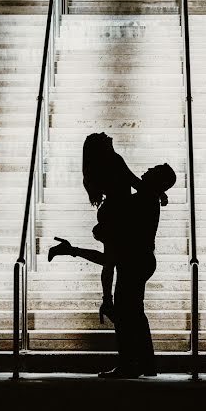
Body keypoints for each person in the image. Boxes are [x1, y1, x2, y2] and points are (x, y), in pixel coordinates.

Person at [49, 163, 177, 378]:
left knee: (127, 315)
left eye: (152, 171)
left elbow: (127, 176)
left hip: (135, 260)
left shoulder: (144, 198)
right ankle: (146, 364)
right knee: (134, 314)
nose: (145, 171)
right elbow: (110, 257)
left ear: (157, 181)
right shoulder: (149, 197)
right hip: (141, 259)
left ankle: (128, 364)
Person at [48, 133, 167, 323]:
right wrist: (159, 192)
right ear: (102, 147)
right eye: (102, 136)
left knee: (110, 260)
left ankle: (103, 295)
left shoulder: (95, 167)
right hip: (120, 213)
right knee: (112, 260)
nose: (106, 134)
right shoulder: (114, 160)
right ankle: (105, 299)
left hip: (110, 212)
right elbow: (136, 183)